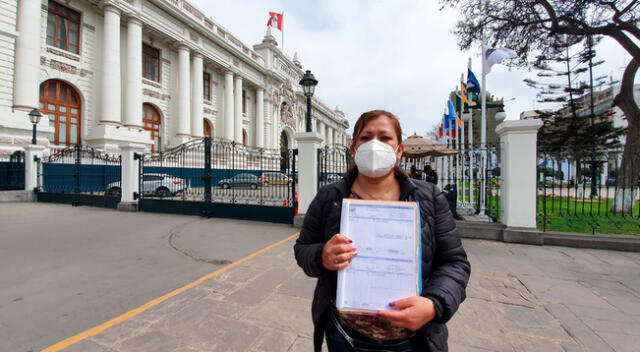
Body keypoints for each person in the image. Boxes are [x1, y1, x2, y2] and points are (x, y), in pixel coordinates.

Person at [294, 110, 471, 352]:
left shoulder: (429, 198)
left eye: (385, 137)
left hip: (414, 339)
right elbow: (303, 249)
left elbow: (454, 262)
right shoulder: (330, 197)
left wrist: (434, 305)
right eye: (365, 137)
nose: (374, 144)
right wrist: (321, 256)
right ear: (353, 148)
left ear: (399, 150)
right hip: (345, 335)